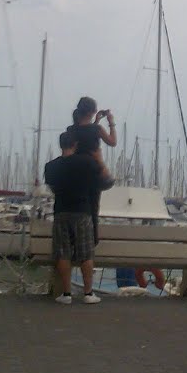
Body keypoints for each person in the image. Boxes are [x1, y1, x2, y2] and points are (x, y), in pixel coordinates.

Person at [43, 129, 105, 305]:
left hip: (61, 211)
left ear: (60, 144)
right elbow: (99, 178)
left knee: (63, 253)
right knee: (86, 253)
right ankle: (88, 293)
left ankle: (67, 294)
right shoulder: (86, 162)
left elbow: (52, 187)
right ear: (75, 144)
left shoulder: (51, 166)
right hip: (82, 211)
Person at [67, 96, 117, 240]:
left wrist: (96, 121)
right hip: (93, 172)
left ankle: (73, 238)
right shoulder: (97, 129)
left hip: (75, 172)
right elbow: (112, 142)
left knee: (77, 206)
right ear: (92, 111)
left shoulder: (71, 129)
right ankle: (92, 239)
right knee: (93, 208)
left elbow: (86, 133)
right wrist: (111, 122)